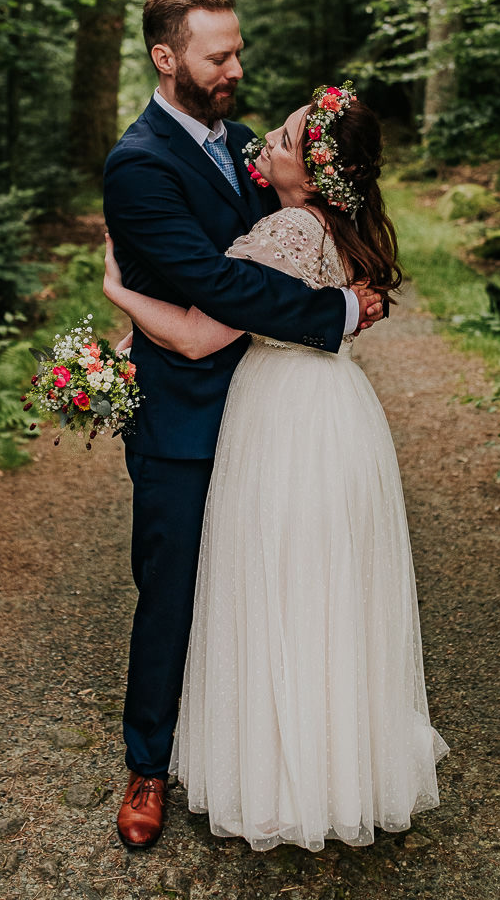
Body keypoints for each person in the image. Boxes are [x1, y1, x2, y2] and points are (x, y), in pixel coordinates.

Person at [103, 83, 448, 852]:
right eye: (218, 53)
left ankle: (282, 774)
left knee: (277, 585)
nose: (269, 144)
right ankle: (331, 765)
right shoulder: (309, 213)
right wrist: (348, 309)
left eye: (289, 138)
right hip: (332, 415)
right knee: (320, 591)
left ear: (317, 168)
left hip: (283, 415)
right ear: (168, 57)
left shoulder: (288, 222)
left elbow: (202, 330)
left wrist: (116, 291)